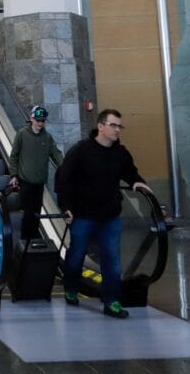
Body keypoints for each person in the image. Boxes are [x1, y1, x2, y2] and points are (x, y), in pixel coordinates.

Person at [55, 108, 150, 319]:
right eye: (113, 125)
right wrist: (66, 206)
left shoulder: (121, 153)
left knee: (112, 260)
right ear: (100, 126)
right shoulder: (81, 150)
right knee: (76, 255)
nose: (118, 130)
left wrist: (138, 182)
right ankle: (71, 287)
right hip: (83, 215)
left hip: (109, 217)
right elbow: (63, 179)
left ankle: (112, 301)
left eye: (119, 126)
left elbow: (130, 171)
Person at [7, 105, 64, 240]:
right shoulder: (22, 134)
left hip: (39, 183)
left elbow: (56, 155)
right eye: (37, 120)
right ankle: (25, 241)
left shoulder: (47, 137)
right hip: (25, 181)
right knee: (28, 214)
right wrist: (14, 175)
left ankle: (33, 240)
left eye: (43, 121)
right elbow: (14, 156)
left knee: (37, 213)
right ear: (31, 118)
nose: (40, 123)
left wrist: (66, 167)